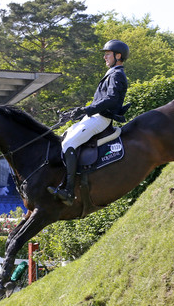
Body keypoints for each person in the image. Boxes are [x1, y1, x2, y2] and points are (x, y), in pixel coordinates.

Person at [47, 39, 130, 205]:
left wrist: (86, 110)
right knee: (64, 137)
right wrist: (78, 112)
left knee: (69, 144)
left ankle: (69, 192)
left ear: (118, 55)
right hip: (93, 117)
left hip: (101, 119)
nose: (104, 57)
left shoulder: (117, 75)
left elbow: (111, 99)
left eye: (107, 54)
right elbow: (99, 100)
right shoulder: (112, 73)